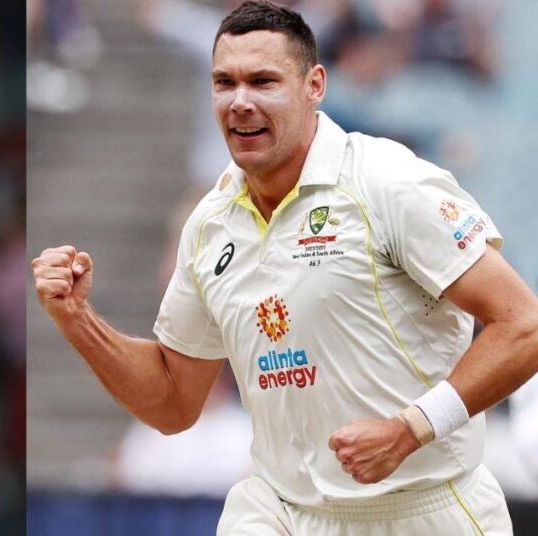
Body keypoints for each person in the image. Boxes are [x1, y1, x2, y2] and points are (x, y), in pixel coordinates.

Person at [31, 1, 538, 534]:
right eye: (224, 83)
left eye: (263, 82)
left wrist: (411, 428)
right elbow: (173, 404)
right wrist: (77, 320)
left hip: (422, 509)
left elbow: (523, 325)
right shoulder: (208, 224)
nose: (240, 102)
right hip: (284, 511)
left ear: (314, 85)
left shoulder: (389, 183)